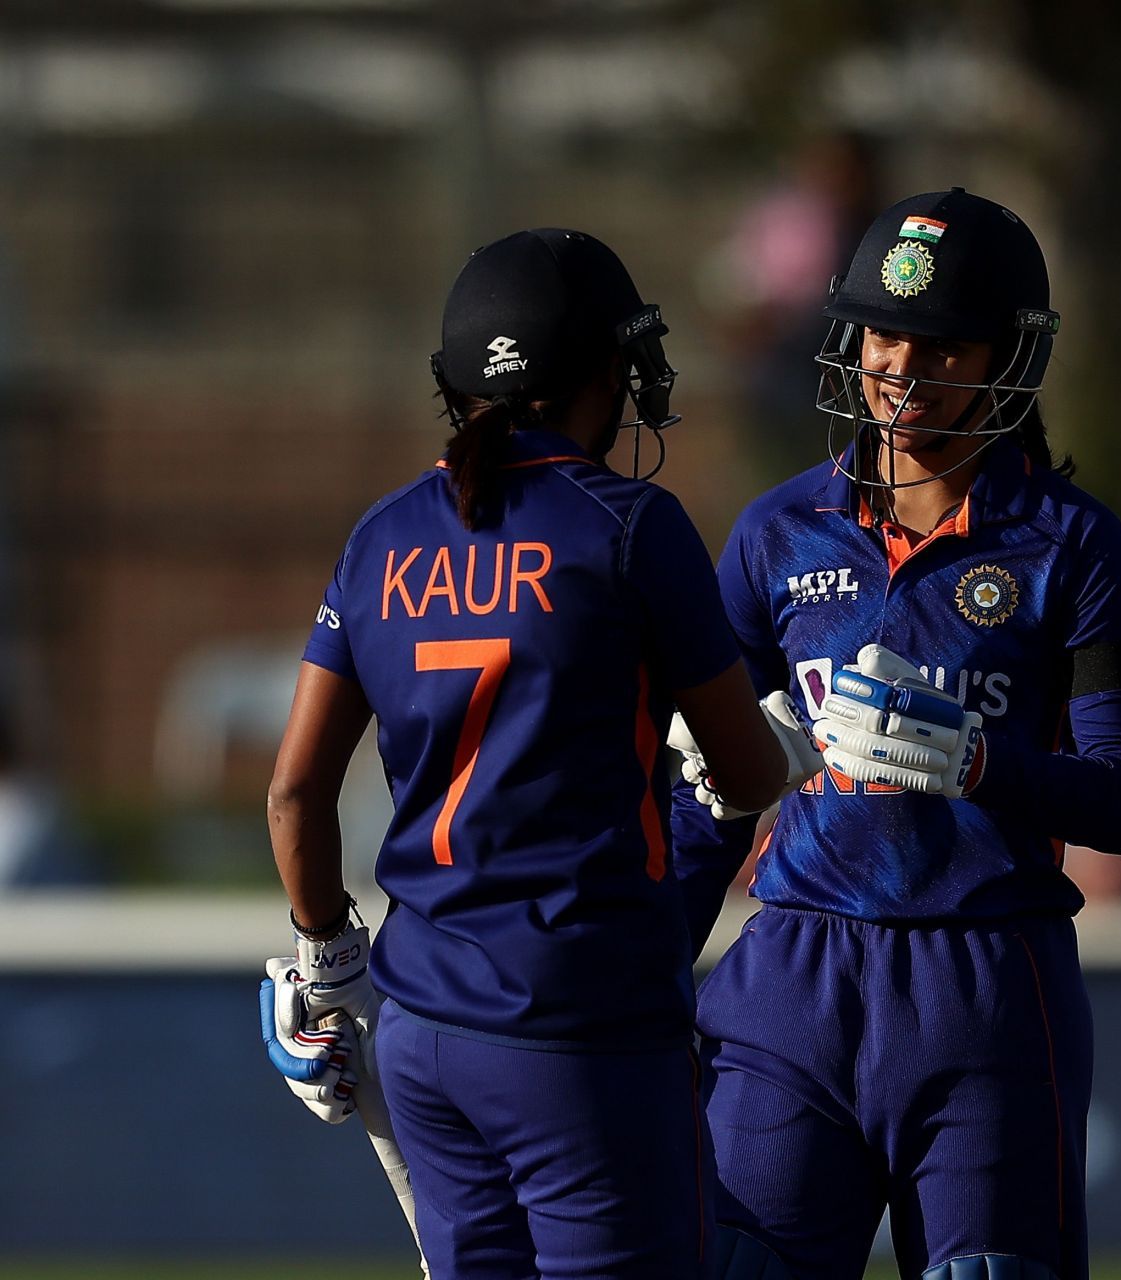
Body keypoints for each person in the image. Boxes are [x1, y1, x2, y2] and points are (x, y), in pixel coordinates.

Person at [259, 228, 819, 1279]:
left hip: (423, 1027)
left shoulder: (381, 536)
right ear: (606, 369)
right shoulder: (631, 527)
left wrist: (330, 962)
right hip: (582, 1027)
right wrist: (776, 748)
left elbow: (294, 791)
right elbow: (746, 775)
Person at [669, 189, 1121, 1280]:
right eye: (885, 333)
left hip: (985, 984)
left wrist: (982, 763)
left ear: (1009, 358)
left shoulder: (1074, 548)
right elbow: (709, 791)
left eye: (943, 346)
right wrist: (644, 954)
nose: (901, 366)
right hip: (792, 979)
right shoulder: (773, 534)